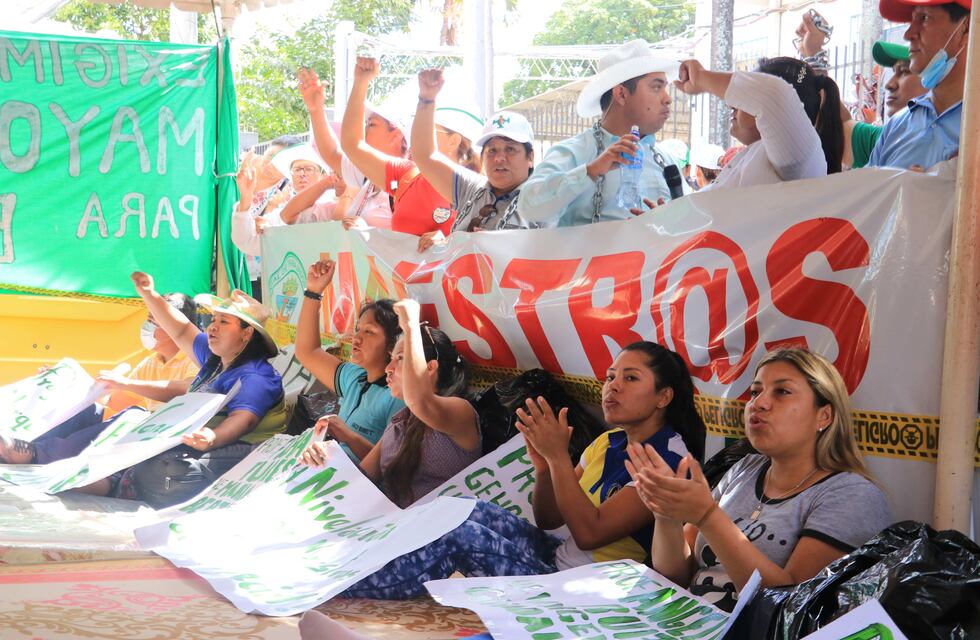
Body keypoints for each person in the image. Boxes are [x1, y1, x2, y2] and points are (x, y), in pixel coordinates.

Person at [320, 341, 706, 600]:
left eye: (630, 378)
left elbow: (589, 535)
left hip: (592, 589)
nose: (612, 387)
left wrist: (558, 459)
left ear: (664, 396)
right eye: (610, 377)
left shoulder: (670, 460)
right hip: (560, 556)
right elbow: (549, 519)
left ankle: (347, 593)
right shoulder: (609, 442)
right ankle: (358, 571)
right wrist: (544, 469)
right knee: (465, 509)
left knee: (464, 537)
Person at [626, 348, 891, 612]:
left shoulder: (852, 494)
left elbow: (789, 608)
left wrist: (708, 516)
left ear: (824, 415)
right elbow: (676, 577)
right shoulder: (745, 469)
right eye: (755, 392)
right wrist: (666, 515)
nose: (759, 403)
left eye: (782, 391)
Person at [0, 274, 287, 509]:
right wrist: (148, 293)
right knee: (132, 419)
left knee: (154, 454)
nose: (213, 326)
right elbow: (181, 330)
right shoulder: (215, 360)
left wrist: (212, 437)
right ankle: (40, 456)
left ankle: (60, 465)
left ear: (247, 334)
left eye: (224, 322)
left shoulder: (257, 377)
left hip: (225, 451)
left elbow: (244, 420)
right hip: (185, 440)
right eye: (213, 319)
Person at [300, 298, 479, 508]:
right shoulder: (400, 422)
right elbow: (361, 479)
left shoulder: (460, 411)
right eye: (392, 358)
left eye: (400, 358)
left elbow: (420, 400)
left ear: (430, 368)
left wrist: (411, 327)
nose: (389, 367)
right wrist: (321, 459)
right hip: (395, 529)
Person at [516, 40, 681, 227]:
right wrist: (591, 171)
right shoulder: (573, 153)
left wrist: (670, 223)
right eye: (657, 87)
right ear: (622, 94)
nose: (668, 99)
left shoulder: (666, 160)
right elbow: (529, 207)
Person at [341, 57, 483, 237]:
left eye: (427, 129)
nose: (413, 139)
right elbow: (352, 145)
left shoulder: (478, 189)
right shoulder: (405, 175)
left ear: (454, 141)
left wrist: (447, 243)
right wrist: (361, 83)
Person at [671, 57, 844, 191]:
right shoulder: (756, 155)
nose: (731, 103)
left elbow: (774, 95)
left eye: (747, 94)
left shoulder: (801, 158)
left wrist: (701, 77)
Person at [412, 70, 537, 251]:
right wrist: (426, 98)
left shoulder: (548, 200)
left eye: (510, 149)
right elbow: (424, 156)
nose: (500, 158)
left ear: (530, 157)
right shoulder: (470, 189)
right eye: (492, 150)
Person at [294, 259, 405, 461]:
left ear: (393, 345)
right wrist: (313, 292)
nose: (357, 338)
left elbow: (390, 466)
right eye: (357, 329)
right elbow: (306, 351)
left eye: (369, 332)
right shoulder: (355, 377)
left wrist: (346, 435)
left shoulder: (398, 396)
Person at [867, 0, 970, 169]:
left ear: (965, 28)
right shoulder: (897, 126)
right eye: (911, 21)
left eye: (924, 18)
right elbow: (868, 191)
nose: (908, 34)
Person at [297, 68, 404, 229]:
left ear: (396, 136)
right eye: (366, 124)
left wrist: (366, 231)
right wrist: (316, 109)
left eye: (372, 124)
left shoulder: (410, 179)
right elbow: (332, 154)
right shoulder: (367, 176)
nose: (365, 131)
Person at [232, 145, 340, 261]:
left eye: (309, 169)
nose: (302, 174)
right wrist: (245, 198)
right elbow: (246, 241)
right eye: (297, 170)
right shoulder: (278, 214)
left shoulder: (332, 206)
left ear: (323, 175)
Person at [230, 135, 302, 301]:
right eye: (270, 156)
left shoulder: (286, 193)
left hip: (255, 276)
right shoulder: (238, 172)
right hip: (219, 263)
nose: (271, 164)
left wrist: (270, 211)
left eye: (280, 161)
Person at [844, 41, 926, 168]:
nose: (889, 84)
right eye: (894, 72)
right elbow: (839, 126)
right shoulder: (891, 136)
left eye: (904, 72)